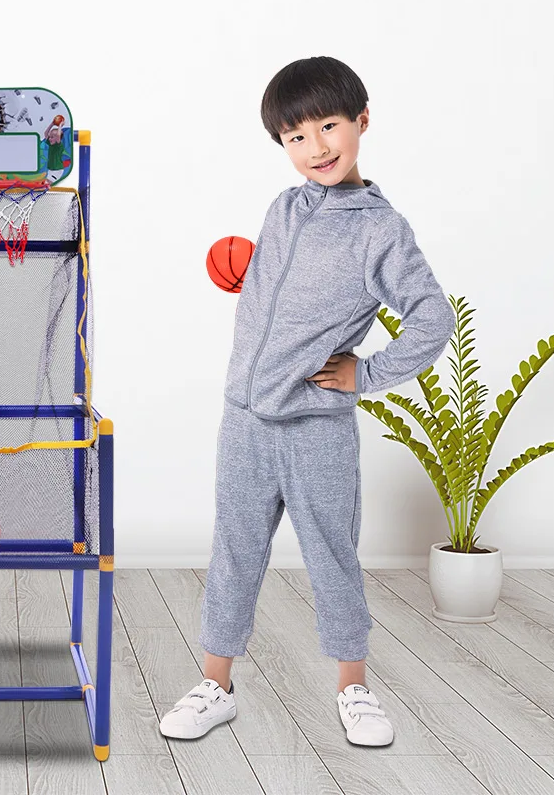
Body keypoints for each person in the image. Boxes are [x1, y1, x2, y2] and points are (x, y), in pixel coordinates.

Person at [159, 56, 456, 747]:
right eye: (296, 136)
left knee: (331, 555)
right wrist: (247, 277)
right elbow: (277, 297)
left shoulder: (380, 230)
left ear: (362, 121)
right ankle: (216, 686)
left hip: (315, 427)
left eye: (328, 126)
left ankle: (355, 688)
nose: (316, 147)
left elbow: (433, 317)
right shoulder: (283, 209)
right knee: (234, 551)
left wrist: (366, 373)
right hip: (244, 420)